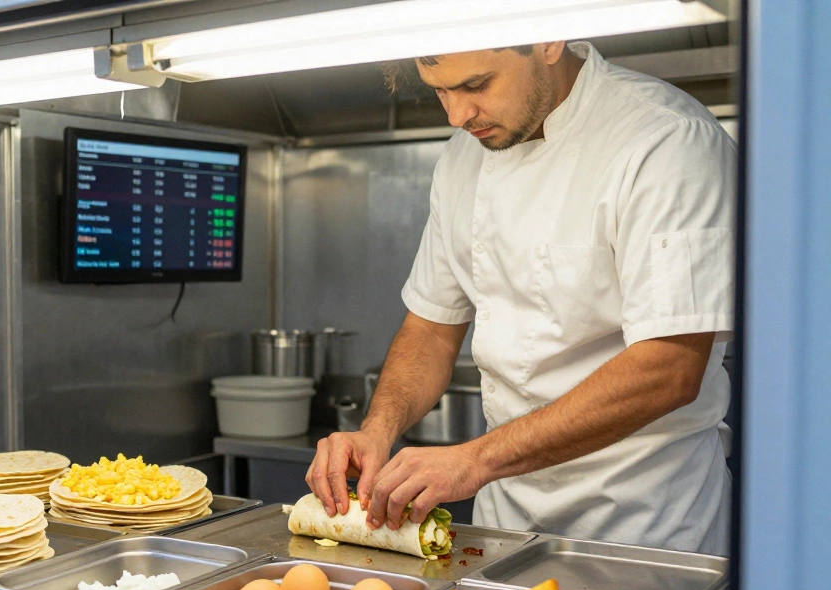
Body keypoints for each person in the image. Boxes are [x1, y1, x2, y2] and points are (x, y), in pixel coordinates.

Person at [305, 41, 735, 555]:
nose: (458, 114)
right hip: (506, 523)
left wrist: (477, 459)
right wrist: (377, 431)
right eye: (440, 90)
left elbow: (671, 368)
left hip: (645, 524)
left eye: (476, 85)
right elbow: (432, 329)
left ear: (549, 40)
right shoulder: (464, 155)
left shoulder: (666, 140)